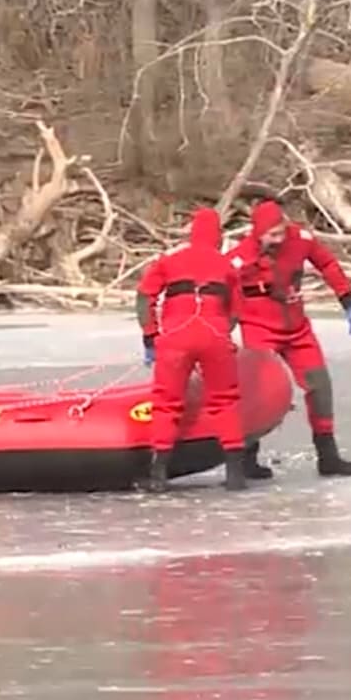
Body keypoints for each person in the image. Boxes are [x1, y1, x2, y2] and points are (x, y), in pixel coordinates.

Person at [225, 197, 351, 479]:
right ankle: (248, 457)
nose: (278, 239)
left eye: (281, 232)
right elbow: (222, 296)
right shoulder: (239, 259)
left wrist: (347, 299)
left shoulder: (300, 239)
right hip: (259, 328)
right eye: (271, 235)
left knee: (320, 386)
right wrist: (219, 332)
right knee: (259, 391)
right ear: (257, 232)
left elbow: (327, 264)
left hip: (297, 329)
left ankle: (328, 456)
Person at [135, 206, 249, 492]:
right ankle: (235, 473)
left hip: (175, 334)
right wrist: (222, 331)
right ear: (218, 236)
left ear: (192, 233)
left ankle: (158, 474)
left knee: (166, 403)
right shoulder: (227, 266)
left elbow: (144, 296)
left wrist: (150, 336)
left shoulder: (170, 259)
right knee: (225, 400)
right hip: (215, 333)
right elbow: (237, 309)